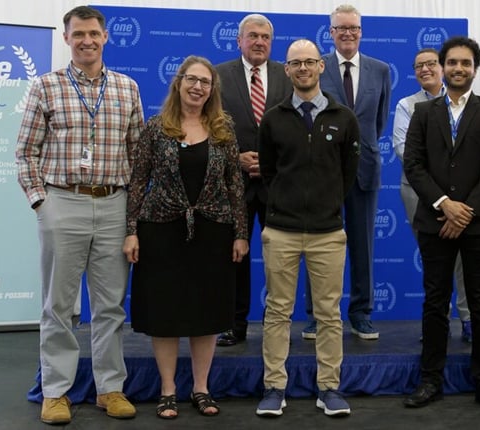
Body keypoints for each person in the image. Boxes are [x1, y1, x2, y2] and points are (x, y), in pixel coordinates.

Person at [15, 6, 143, 425]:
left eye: (94, 33)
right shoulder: (45, 87)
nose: (87, 40)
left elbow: (138, 155)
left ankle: (110, 389)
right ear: (66, 38)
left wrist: (133, 216)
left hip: (114, 204)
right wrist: (41, 203)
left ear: (106, 37)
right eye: (78, 34)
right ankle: (56, 392)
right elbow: (25, 151)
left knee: (109, 306)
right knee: (60, 306)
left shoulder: (127, 88)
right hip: (62, 202)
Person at [122, 56, 248, 419]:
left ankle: (201, 388)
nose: (198, 87)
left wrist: (241, 233)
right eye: (191, 80)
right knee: (166, 313)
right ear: (178, 83)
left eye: (205, 82)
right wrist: (131, 231)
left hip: (213, 231)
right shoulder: (155, 127)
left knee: (205, 312)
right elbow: (137, 183)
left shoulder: (223, 130)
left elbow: (235, 187)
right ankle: (167, 390)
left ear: (212, 90)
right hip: (161, 230)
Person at [402, 36, 480, 411]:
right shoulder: (423, 113)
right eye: (452, 63)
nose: (458, 69)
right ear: (443, 67)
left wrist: (465, 212)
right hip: (435, 222)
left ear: (474, 69)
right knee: (435, 303)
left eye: (466, 63)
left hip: (479, 225)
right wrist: (445, 205)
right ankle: (430, 379)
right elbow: (413, 166)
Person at [255, 39, 360, 417]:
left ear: (321, 66)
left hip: (328, 232)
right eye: (295, 63)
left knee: (329, 314)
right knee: (277, 311)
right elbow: (268, 172)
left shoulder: (343, 117)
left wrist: (324, 204)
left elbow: (346, 175)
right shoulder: (273, 118)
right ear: (287, 70)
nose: (303, 69)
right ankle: (274, 387)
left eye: (309, 62)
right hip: (281, 230)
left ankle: (329, 388)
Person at [302, 3, 391, 341]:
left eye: (354, 28)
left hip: (365, 169)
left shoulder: (380, 70)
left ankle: (361, 314)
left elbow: (377, 123)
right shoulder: (317, 68)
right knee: (319, 245)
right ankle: (316, 316)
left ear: (361, 32)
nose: (348, 33)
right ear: (331, 33)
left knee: (363, 246)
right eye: (342, 28)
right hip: (321, 173)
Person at [215, 14, 292, 347]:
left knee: (282, 260)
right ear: (239, 41)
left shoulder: (288, 75)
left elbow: (296, 128)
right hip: (235, 184)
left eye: (265, 37)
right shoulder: (218, 76)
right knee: (236, 259)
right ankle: (235, 324)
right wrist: (236, 158)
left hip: (278, 184)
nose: (259, 42)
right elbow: (210, 127)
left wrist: (271, 162)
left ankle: (277, 325)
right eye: (253, 36)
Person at [392, 48, 472, 344]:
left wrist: (453, 194)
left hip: (462, 196)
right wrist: (439, 194)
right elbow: (403, 149)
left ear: (443, 67)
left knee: (464, 258)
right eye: (418, 66)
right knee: (433, 258)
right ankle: (437, 321)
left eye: (430, 64)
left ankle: (467, 318)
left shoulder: (464, 104)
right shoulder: (406, 105)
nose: (424, 69)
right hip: (418, 193)